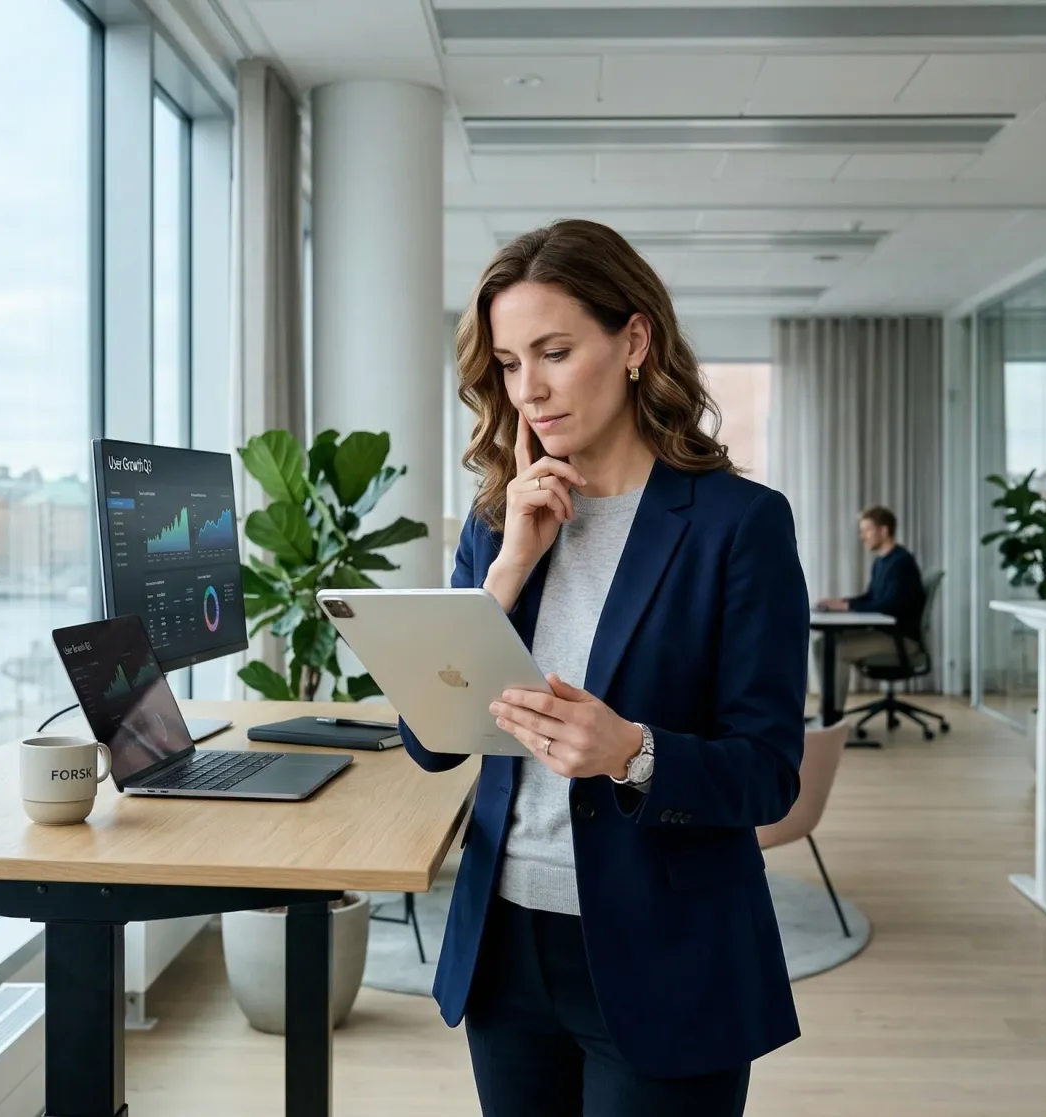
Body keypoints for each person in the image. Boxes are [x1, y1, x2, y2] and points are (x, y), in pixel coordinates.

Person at [398, 219, 808, 1117]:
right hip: (506, 948)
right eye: (508, 363)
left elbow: (772, 773)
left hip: (667, 952)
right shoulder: (493, 524)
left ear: (633, 340)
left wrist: (635, 750)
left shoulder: (740, 525)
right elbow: (428, 743)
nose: (529, 390)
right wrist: (504, 573)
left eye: (553, 351)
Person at [817, 505, 926, 664]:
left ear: (884, 531)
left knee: (836, 650)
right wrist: (842, 603)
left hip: (900, 639)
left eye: (867, 530)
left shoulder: (901, 562)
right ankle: (826, 690)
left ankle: (833, 691)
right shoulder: (881, 561)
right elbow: (871, 597)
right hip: (885, 634)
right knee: (820, 645)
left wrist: (847, 606)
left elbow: (888, 607)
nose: (862, 536)